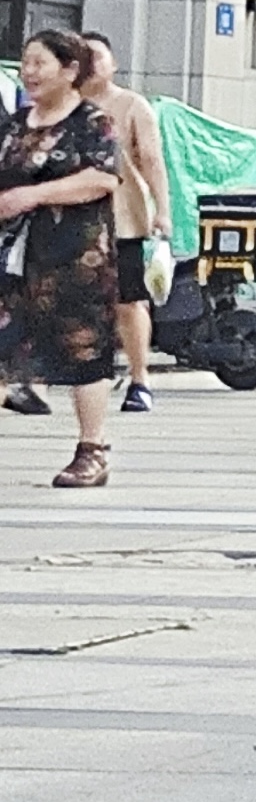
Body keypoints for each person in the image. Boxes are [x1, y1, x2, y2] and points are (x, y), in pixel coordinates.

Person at [2, 30, 123, 485]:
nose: (29, 73)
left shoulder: (93, 122)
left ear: (70, 70)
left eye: (39, 63)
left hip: (75, 259)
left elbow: (102, 179)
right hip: (14, 258)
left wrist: (34, 195)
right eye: (25, 63)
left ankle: (92, 449)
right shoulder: (14, 126)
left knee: (83, 349)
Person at [73, 35, 168, 412]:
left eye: (97, 56)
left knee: (129, 302)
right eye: (82, 56)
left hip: (122, 218)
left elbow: (152, 160)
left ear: (113, 64)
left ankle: (140, 378)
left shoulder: (131, 105)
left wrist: (163, 210)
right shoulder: (62, 104)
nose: (90, 63)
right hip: (71, 219)